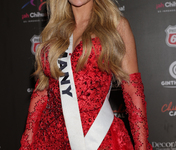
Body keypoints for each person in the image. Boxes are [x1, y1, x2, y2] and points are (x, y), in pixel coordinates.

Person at [20, 0, 153, 149]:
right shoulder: (55, 32)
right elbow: (42, 92)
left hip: (98, 139)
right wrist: (27, 143)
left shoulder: (115, 25)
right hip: (51, 140)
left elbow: (132, 91)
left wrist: (142, 146)